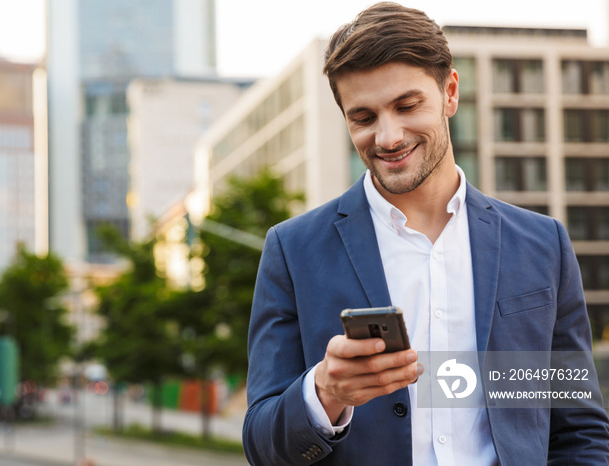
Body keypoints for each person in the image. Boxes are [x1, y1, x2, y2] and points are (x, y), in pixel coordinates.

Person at [241, 2, 609, 465]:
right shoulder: (293, 250)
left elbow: (578, 430)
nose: (388, 136)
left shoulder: (541, 246)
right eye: (364, 117)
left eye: (407, 105)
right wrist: (324, 393)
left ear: (450, 92)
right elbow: (261, 445)